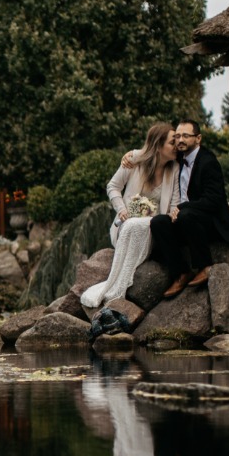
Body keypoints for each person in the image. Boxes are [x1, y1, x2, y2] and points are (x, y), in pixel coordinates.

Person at [80, 122, 176, 333]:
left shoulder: (175, 169)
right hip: (125, 225)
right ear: (158, 145)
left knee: (139, 225)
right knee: (132, 224)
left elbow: (175, 205)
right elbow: (113, 187)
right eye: (172, 141)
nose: (177, 144)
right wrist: (122, 208)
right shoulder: (133, 160)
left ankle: (119, 287)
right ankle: (115, 286)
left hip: (154, 229)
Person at [151, 119, 229, 298]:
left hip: (209, 224)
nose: (180, 140)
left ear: (198, 138)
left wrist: (182, 207)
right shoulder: (179, 159)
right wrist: (130, 156)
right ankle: (182, 272)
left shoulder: (208, 162)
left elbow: (213, 200)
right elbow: (154, 150)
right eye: (177, 136)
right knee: (158, 222)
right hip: (186, 221)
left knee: (186, 215)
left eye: (185, 136)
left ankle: (205, 266)